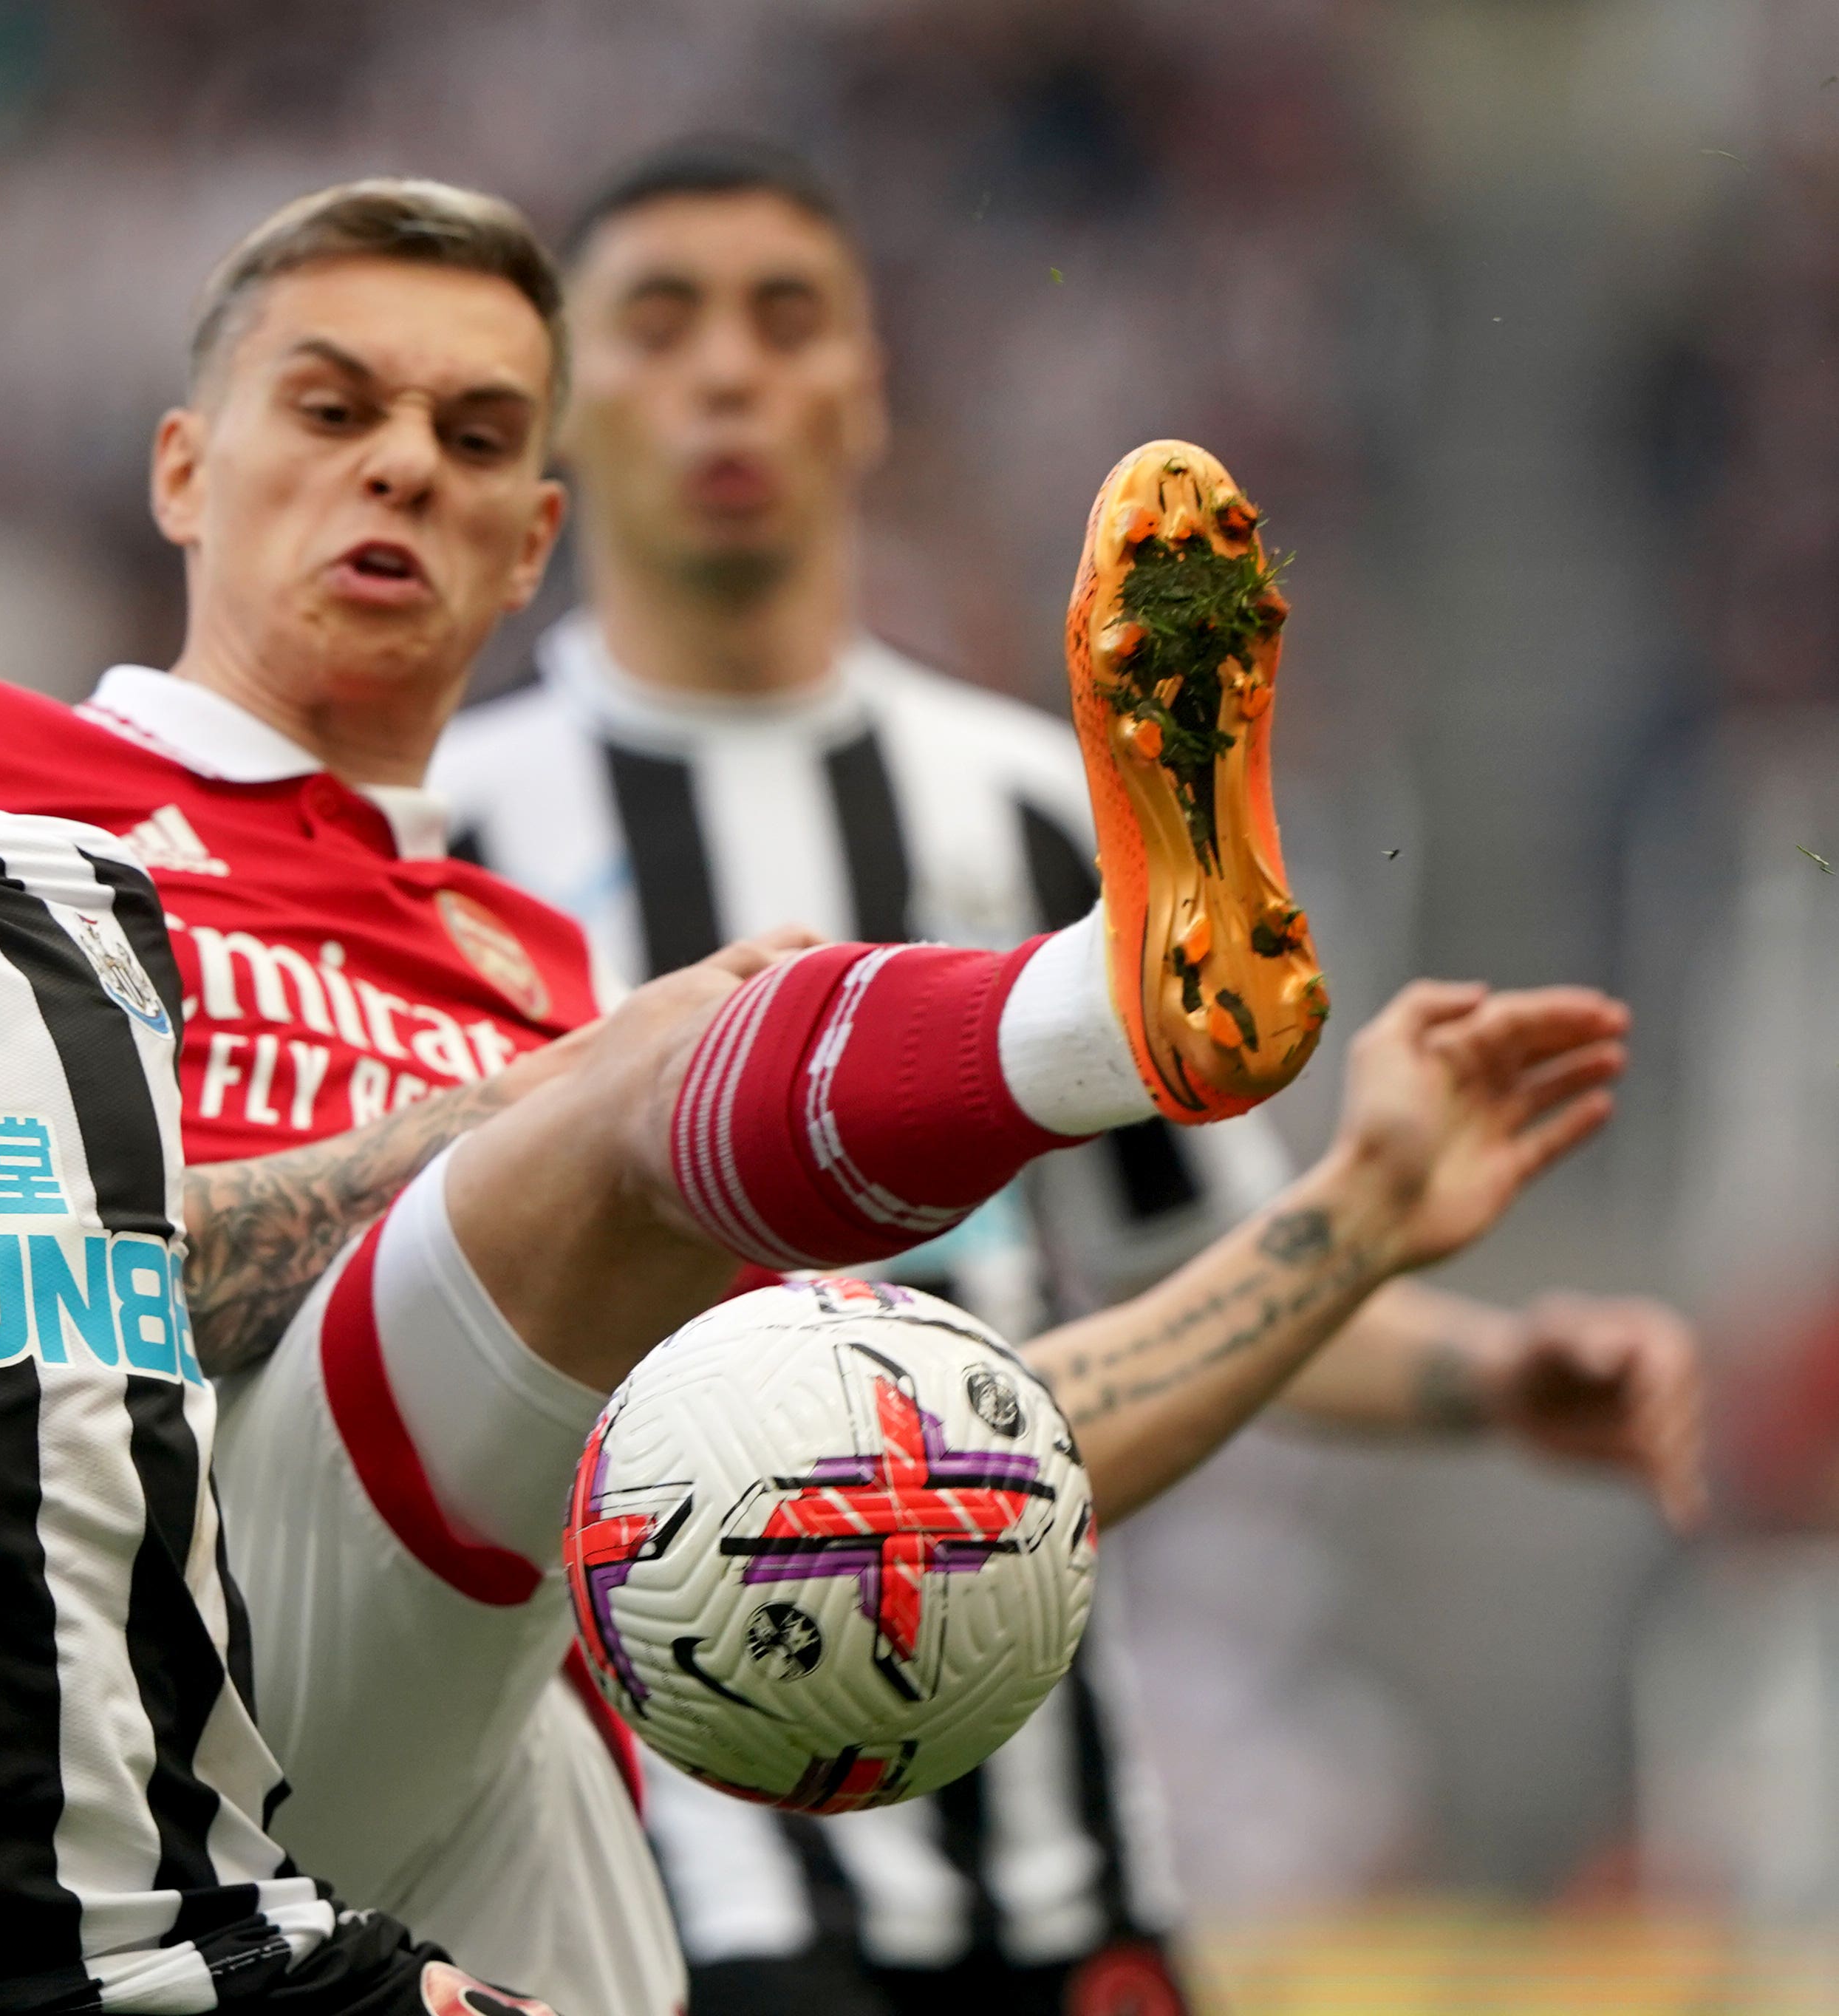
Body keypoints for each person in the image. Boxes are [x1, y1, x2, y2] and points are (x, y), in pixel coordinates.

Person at [0, 193, 1632, 2016]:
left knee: (773, 1346)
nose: (398, 463)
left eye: (476, 430)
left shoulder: (506, 941)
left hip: (422, 1719)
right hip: (101, 1669)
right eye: (330, 403)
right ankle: (1101, 1013)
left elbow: (937, 1440)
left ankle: (1119, 1024)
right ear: (178, 470)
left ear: (537, 540)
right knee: (613, 1106)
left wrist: (1347, 1235)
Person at [429, 138, 1705, 2016]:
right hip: (686, 1855)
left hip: (1061, 1831)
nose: (726, 370)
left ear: (867, 392)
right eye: (659, 318)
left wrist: (1499, 1374)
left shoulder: (1032, 799)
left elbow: (1207, 1265)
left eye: (786, 319)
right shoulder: (464, 833)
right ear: (560, 410)